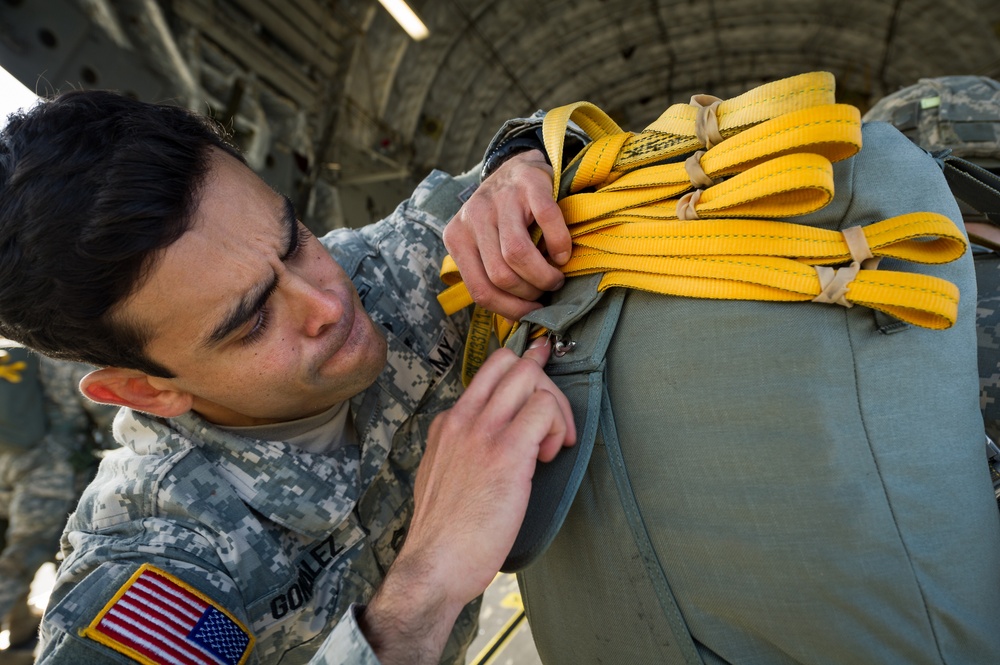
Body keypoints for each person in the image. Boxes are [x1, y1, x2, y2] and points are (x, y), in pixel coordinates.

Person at [0, 90, 578, 664]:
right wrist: (427, 581)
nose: (327, 301)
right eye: (252, 320)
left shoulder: (393, 272)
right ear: (146, 390)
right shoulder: (162, 564)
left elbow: (556, 143)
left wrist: (521, 161)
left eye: (295, 239)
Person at [0, 351, 117, 663]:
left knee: (12, 558)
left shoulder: (7, 354)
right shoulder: (56, 356)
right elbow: (111, 418)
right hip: (49, 477)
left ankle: (20, 636)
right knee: (24, 562)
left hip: (5, 470)